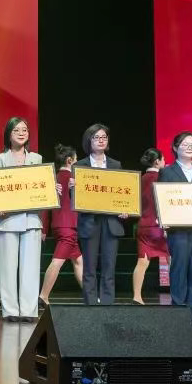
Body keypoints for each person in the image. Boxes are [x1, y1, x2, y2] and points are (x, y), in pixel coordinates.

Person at [0, 117, 44, 322]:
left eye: (24, 130)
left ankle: (29, 310)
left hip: (31, 219)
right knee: (7, 267)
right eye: (16, 130)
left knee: (31, 267)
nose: (21, 133)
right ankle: (11, 310)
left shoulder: (37, 159)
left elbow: (42, 187)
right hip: (7, 220)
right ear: (8, 134)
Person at [159, 131, 192, 325]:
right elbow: (162, 199)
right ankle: (178, 310)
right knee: (179, 268)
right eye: (185, 144)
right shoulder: (167, 172)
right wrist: (163, 219)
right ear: (175, 147)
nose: (190, 148)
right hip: (178, 229)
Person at [75, 123, 124, 305]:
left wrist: (125, 208)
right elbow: (75, 199)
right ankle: (91, 306)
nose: (101, 140)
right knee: (89, 268)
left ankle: (107, 305)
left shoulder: (115, 165)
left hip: (111, 222)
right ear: (89, 141)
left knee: (109, 267)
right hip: (89, 221)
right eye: (96, 137)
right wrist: (74, 189)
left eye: (104, 137)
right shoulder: (79, 166)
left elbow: (123, 192)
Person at [39, 144, 83, 306]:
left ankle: (90, 296)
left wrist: (44, 229)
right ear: (70, 160)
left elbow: (47, 207)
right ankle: (43, 295)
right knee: (57, 261)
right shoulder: (74, 179)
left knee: (78, 261)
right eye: (76, 159)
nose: (78, 162)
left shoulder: (54, 177)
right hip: (68, 227)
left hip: (59, 226)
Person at [132, 148, 168, 306]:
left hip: (143, 226)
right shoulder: (163, 178)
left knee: (142, 262)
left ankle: (137, 296)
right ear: (157, 161)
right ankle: (179, 295)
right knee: (172, 260)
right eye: (163, 159)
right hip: (159, 226)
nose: (165, 162)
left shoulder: (138, 179)